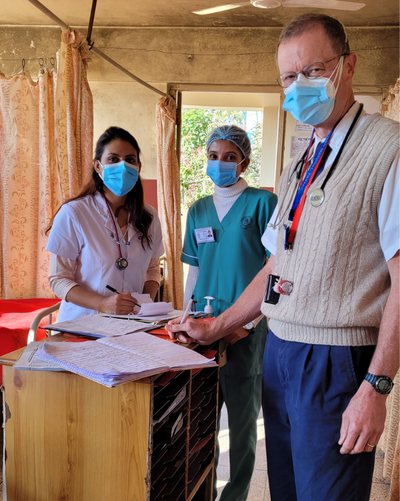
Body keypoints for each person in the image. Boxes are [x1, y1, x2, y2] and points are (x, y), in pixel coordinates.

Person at [167, 14, 399, 501]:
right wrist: (217, 324)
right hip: (281, 349)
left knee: (327, 491)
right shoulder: (302, 162)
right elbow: (276, 265)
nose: (299, 86)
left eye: (313, 71)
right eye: (289, 77)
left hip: (337, 359)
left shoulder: (387, 149)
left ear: (348, 66)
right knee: (287, 489)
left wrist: (376, 386)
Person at [182, 124, 277, 501]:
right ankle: (202, 489)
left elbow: (277, 271)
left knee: (241, 422)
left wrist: (249, 322)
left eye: (229, 157)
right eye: (213, 156)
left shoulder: (261, 204)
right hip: (202, 328)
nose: (219, 163)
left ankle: (234, 495)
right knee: (202, 418)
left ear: (244, 162)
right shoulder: (198, 210)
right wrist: (185, 316)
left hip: (245, 330)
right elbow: (195, 269)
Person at [46, 126, 164, 322]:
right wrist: (102, 304)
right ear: (98, 166)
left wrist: (144, 304)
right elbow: (58, 279)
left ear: (138, 167)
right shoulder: (74, 213)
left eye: (130, 160)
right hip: (83, 324)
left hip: (132, 325)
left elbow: (152, 270)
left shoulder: (149, 216)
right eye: (113, 159)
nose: (123, 166)